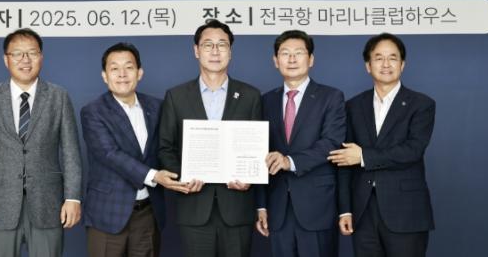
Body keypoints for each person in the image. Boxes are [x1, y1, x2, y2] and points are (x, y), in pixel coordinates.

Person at [0, 28, 82, 257]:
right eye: (17, 53)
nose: (25, 60)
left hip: (48, 205)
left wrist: (73, 197)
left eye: (32, 53)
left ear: (41, 57)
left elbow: (71, 152)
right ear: (6, 59)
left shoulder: (58, 96)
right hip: (0, 207)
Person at [158, 19, 262, 257]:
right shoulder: (176, 96)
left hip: (237, 208)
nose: (215, 51)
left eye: (222, 44)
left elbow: (258, 147)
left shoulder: (251, 96)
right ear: (196, 50)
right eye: (208, 45)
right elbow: (165, 147)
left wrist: (249, 177)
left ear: (230, 51)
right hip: (194, 208)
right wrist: (184, 176)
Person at [328, 33, 435, 257]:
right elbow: (344, 160)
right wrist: (345, 210)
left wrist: (364, 157)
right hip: (363, 211)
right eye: (378, 58)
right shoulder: (353, 106)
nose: (386, 64)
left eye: (392, 58)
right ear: (368, 66)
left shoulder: (421, 104)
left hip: (406, 211)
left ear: (402, 64)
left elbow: (413, 150)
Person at [80, 42, 187, 257]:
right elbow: (109, 154)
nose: (122, 74)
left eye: (128, 67)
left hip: (148, 213)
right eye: (114, 68)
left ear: (139, 73)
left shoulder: (158, 107)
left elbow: (170, 146)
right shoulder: (93, 112)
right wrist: (155, 176)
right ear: (104, 76)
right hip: (108, 214)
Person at [255, 30, 346, 257]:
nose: (292, 59)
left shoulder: (331, 97)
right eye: (285, 53)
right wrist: (261, 205)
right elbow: (258, 151)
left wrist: (290, 161)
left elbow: (332, 143)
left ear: (311, 59)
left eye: (299, 53)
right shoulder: (265, 101)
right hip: (277, 208)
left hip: (317, 206)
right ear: (276, 61)